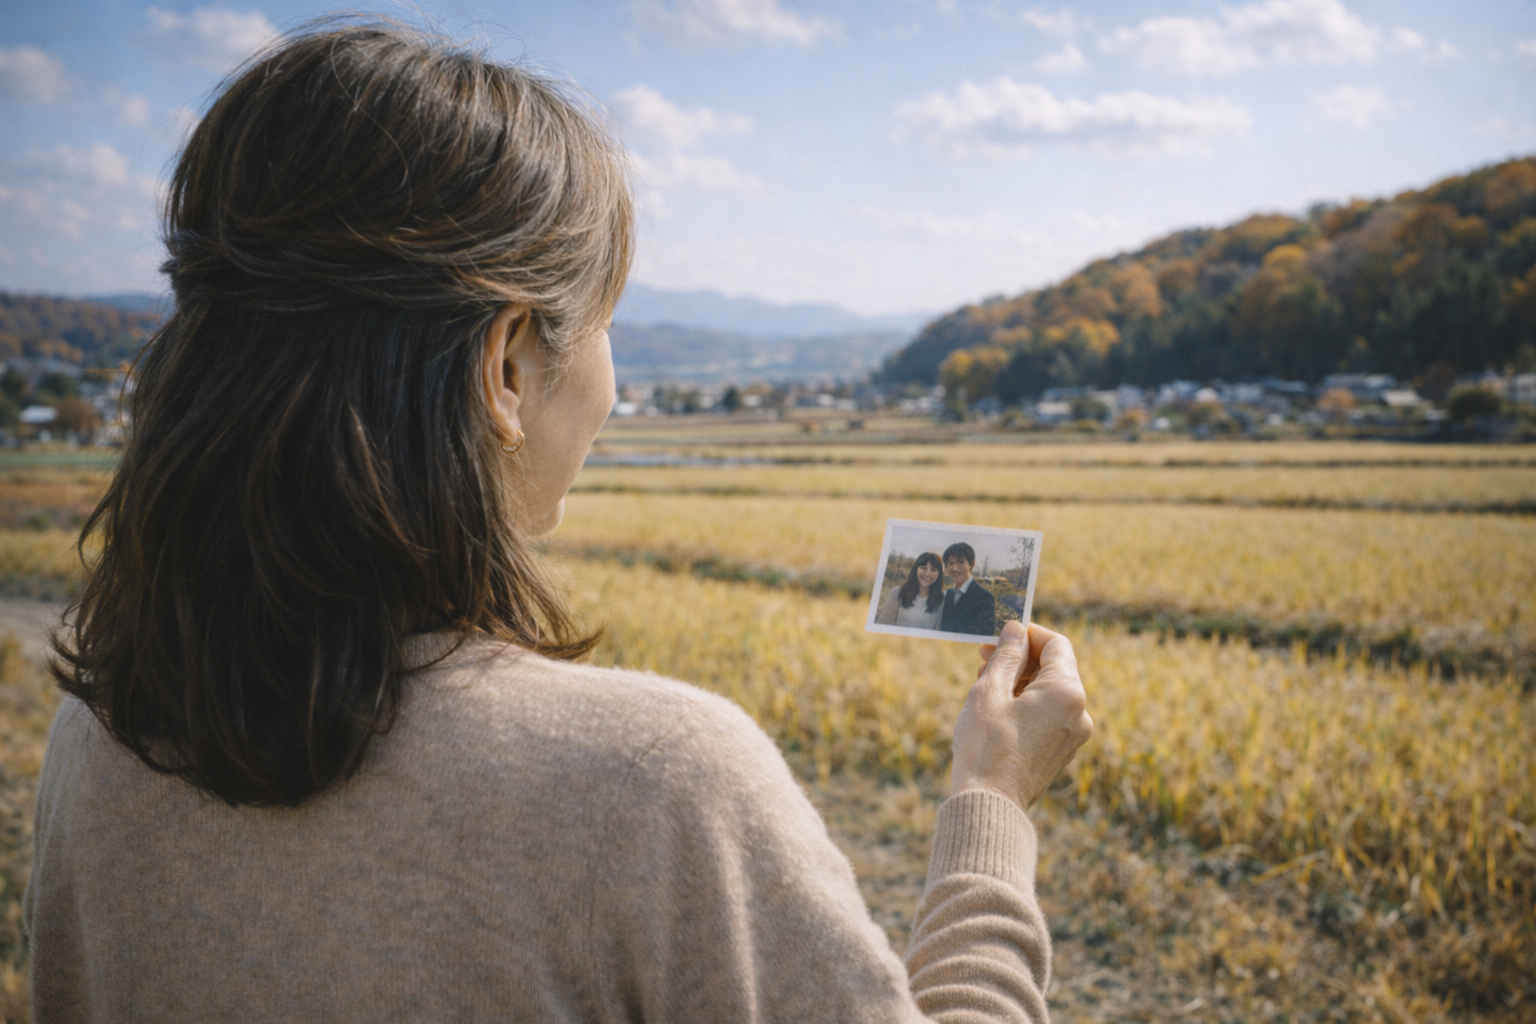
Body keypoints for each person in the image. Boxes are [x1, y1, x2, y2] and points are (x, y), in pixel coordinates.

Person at [24, 22, 1092, 1023]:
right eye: (608, 324)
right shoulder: (658, 785)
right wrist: (991, 802)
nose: (613, 385)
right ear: (504, 365)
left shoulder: (98, 745)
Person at [940, 541, 998, 636]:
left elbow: (987, 633)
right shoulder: (947, 594)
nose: (955, 568)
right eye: (951, 563)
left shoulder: (984, 597)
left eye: (960, 562)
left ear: (971, 564)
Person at [875, 551, 944, 630]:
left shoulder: (942, 600)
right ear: (915, 569)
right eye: (923, 568)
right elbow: (883, 624)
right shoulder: (898, 592)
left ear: (939, 574)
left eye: (933, 570)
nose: (928, 573)